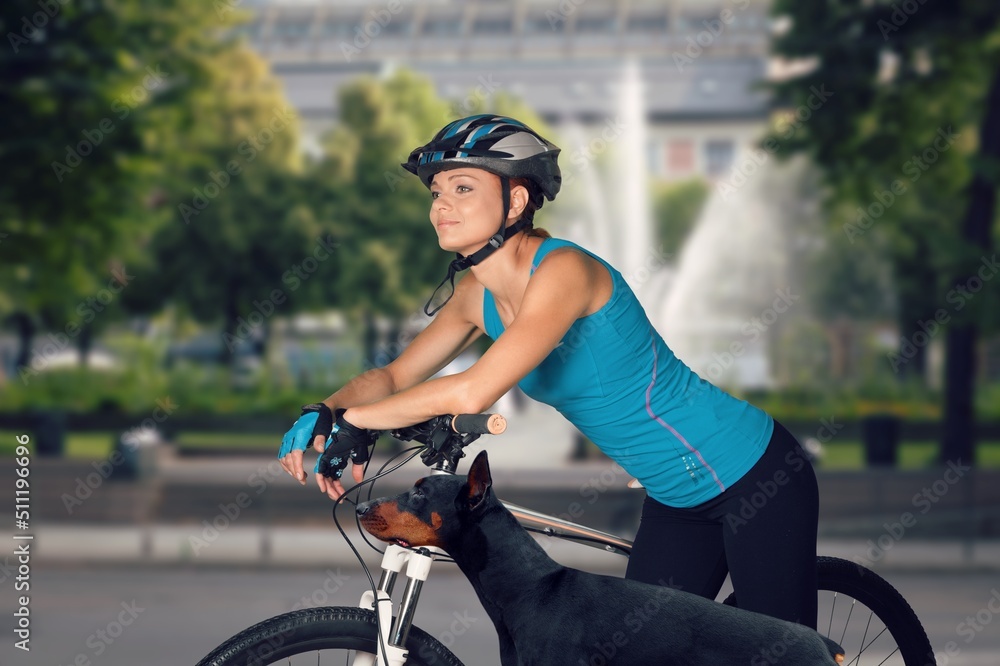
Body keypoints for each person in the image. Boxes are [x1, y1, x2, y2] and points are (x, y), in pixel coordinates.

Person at [277, 114, 820, 629]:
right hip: (676, 498)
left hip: (753, 475)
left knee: (781, 652)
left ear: (515, 200)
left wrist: (359, 420)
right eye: (437, 191)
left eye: (463, 188)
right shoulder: (475, 296)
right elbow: (395, 378)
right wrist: (326, 410)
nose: (442, 204)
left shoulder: (564, 270)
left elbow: (475, 389)